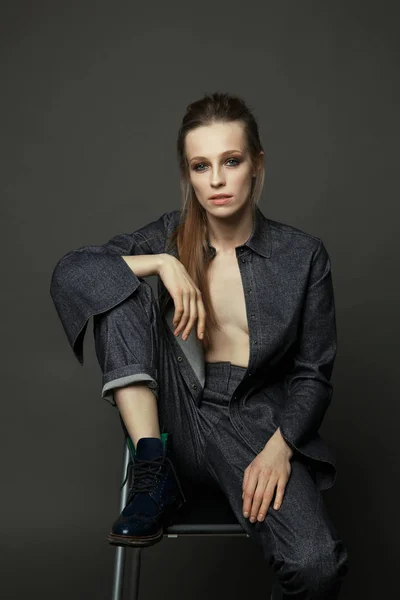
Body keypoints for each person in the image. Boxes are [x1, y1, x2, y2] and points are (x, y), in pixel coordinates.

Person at [50, 92, 349, 598]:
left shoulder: (303, 256)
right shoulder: (168, 236)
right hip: (172, 415)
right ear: (187, 174)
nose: (215, 180)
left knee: (316, 564)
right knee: (117, 287)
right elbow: (72, 272)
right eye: (200, 166)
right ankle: (151, 463)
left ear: (256, 164)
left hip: (255, 423)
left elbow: (312, 374)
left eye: (230, 162)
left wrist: (281, 448)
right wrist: (162, 264)